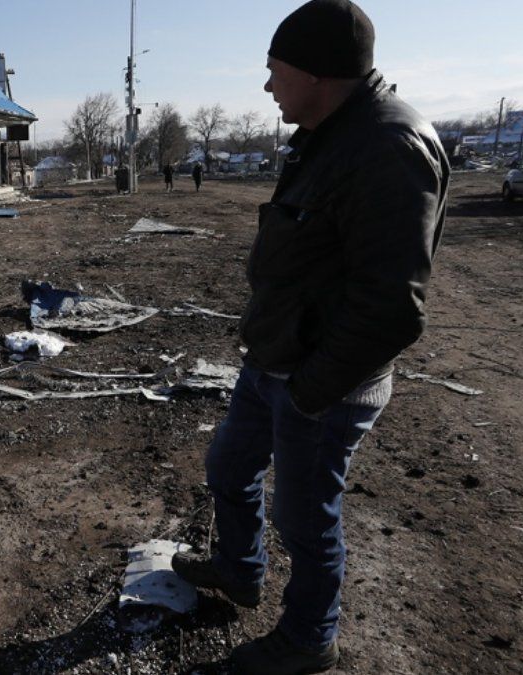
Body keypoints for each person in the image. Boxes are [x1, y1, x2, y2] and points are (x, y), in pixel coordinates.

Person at [170, 1, 449, 673]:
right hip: (273, 359)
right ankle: (239, 571)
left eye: (275, 71)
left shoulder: (387, 147)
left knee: (305, 519)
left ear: (316, 74)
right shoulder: (325, 131)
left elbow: (391, 308)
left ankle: (308, 639)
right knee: (229, 468)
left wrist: (309, 393)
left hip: (320, 383)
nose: (267, 87)